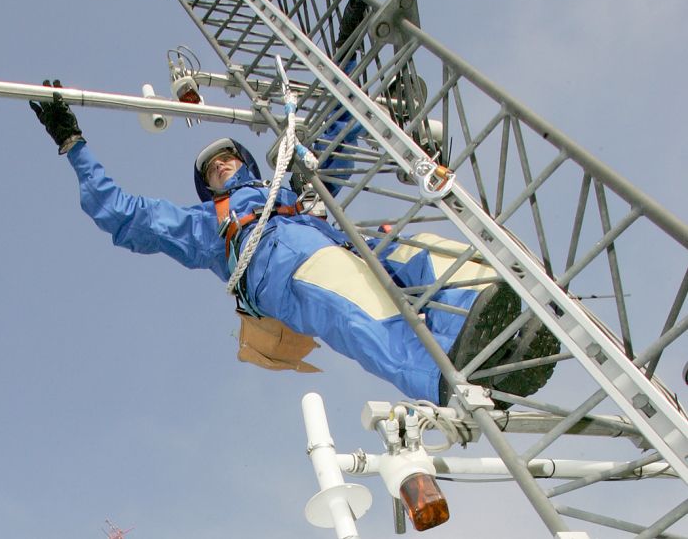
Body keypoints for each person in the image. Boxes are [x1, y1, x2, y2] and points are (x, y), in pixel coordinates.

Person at [28, 82, 557, 407]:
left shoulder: (290, 184)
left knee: (423, 250)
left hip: (331, 235)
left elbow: (335, 146)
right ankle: (440, 380)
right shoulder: (209, 224)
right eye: (212, 169)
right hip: (282, 264)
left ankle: (491, 319)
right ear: (207, 186)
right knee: (353, 302)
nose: (221, 165)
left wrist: (353, 82)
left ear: (248, 161)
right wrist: (73, 145)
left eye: (227, 157)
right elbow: (123, 215)